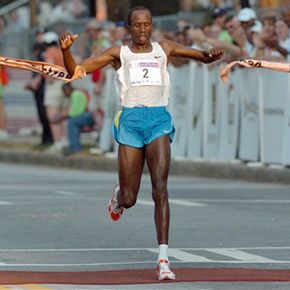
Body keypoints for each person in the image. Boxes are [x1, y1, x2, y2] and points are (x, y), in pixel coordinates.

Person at [59, 6, 223, 280]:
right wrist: (66, 50)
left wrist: (213, 56)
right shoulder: (118, 54)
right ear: (129, 28)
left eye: (147, 25)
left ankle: (163, 260)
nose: (143, 30)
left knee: (160, 188)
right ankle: (118, 195)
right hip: (131, 122)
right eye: (137, 26)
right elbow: (75, 70)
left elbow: (203, 58)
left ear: (152, 26)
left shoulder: (165, 48)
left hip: (159, 119)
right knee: (130, 198)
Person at [50, 83, 94, 156]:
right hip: (87, 115)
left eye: (64, 91)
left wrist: (60, 118)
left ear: (68, 89)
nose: (64, 93)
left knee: (72, 122)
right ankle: (75, 147)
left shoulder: (75, 94)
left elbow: (74, 113)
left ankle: (75, 148)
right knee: (73, 122)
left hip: (87, 115)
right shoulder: (77, 93)